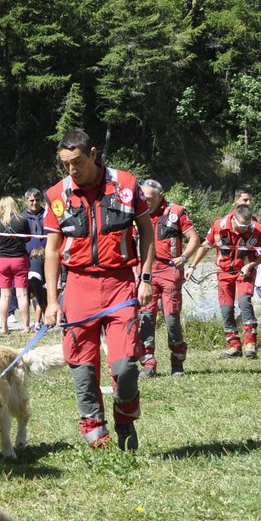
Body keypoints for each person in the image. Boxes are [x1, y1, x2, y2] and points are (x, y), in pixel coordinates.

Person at [42, 130, 155, 452]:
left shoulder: (126, 185)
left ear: (93, 153)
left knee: (125, 365)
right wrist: (52, 301)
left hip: (120, 282)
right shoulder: (57, 195)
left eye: (77, 162)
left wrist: (144, 278)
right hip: (78, 286)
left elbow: (146, 231)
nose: (72, 170)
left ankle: (125, 417)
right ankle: (96, 434)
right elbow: (52, 250)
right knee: (82, 365)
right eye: (66, 165)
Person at [188, 188, 261, 359]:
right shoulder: (219, 225)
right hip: (224, 272)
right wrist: (192, 266)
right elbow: (206, 245)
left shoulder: (257, 228)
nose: (243, 229)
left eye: (246, 227)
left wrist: (251, 265)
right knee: (226, 309)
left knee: (245, 302)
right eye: (240, 226)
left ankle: (250, 343)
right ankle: (234, 345)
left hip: (244, 271)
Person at [136, 179, 200, 377]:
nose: (145, 201)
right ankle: (148, 364)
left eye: (149, 198)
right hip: (146, 271)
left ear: (160, 196)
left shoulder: (176, 212)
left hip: (169, 271)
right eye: (142, 197)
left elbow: (195, 239)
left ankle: (177, 362)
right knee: (146, 317)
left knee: (172, 318)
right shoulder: (136, 213)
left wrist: (184, 257)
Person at [0, 195, 30, 334]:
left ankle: (4, 327)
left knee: (4, 296)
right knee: (22, 295)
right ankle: (26, 327)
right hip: (19, 259)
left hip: (2, 260)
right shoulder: (22, 220)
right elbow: (28, 238)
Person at [22, 187, 49, 327]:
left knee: (46, 289)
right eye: (31, 200)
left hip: (47, 256)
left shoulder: (46, 214)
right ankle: (35, 321)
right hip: (29, 258)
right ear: (26, 201)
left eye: (37, 200)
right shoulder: (22, 217)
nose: (34, 203)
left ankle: (47, 317)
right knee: (33, 289)